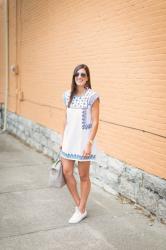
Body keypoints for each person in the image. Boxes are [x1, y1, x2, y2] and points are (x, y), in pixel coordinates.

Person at [60, 64, 100, 223]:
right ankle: (80, 205)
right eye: (77, 74)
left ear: (87, 77)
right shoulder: (67, 95)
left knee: (84, 176)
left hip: (84, 142)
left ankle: (81, 208)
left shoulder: (93, 96)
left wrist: (89, 143)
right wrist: (62, 139)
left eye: (83, 74)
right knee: (67, 172)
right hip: (68, 141)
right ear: (74, 76)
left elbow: (96, 122)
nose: (80, 77)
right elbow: (65, 119)